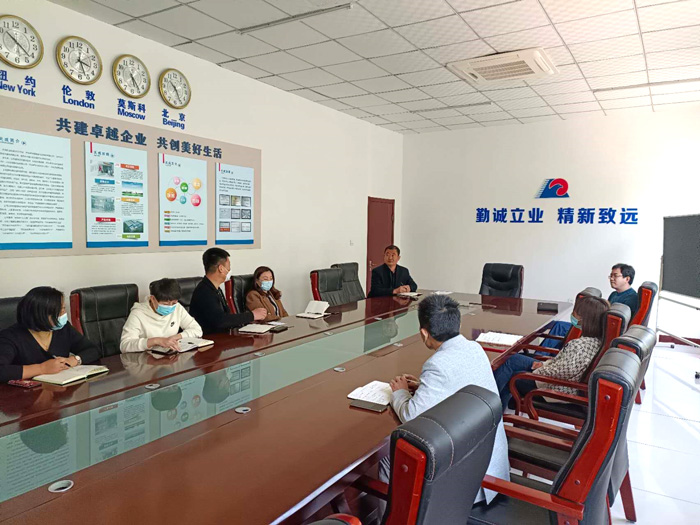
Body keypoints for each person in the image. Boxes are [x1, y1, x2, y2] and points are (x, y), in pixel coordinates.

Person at [382, 294, 509, 505]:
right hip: (490, 468)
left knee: (389, 459)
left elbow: (412, 417)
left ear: (424, 333)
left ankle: (396, 517)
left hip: (468, 482)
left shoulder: (438, 364)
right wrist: (424, 386)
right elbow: (457, 387)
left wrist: (400, 393)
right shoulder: (474, 348)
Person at [493, 296, 609, 411]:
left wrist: (540, 369)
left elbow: (561, 372)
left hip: (556, 388)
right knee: (511, 359)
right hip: (560, 377)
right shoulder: (598, 341)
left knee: (511, 374)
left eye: (576, 313)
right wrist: (544, 364)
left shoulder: (579, 345)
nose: (573, 315)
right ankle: (494, 409)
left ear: (585, 319)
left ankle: (491, 408)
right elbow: (565, 367)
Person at [0, 287, 101, 383]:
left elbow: (93, 349)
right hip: (23, 393)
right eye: (58, 312)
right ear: (40, 315)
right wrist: (41, 368)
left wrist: (74, 360)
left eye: (63, 309)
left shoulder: (63, 329)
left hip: (59, 389)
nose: (63, 315)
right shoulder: (10, 337)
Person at [541, 263, 638, 349]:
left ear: (627, 279)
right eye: (611, 276)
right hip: (598, 328)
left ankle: (539, 356)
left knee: (560, 326)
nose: (611, 279)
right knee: (558, 326)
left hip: (601, 333)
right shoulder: (614, 294)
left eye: (615, 276)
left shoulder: (631, 298)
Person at [189, 248, 266, 334]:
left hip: (222, 336)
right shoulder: (204, 292)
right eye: (228, 267)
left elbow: (227, 316)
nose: (229, 270)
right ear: (221, 268)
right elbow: (220, 320)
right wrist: (252, 315)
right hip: (209, 338)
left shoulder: (215, 288)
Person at [120, 278, 203, 353]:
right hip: (146, 359)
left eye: (174, 303)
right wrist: (157, 341)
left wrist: (175, 338)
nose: (170, 307)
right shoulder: (138, 313)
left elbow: (197, 330)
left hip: (170, 356)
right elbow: (125, 345)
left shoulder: (177, 308)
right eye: (165, 304)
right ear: (153, 299)